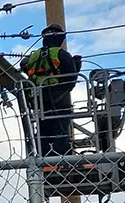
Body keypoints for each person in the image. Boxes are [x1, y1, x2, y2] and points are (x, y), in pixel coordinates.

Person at [19, 24, 82, 157]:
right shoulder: (61, 54)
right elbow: (71, 79)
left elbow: (28, 74)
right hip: (59, 100)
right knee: (61, 131)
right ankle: (61, 160)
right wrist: (76, 66)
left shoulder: (33, 56)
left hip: (39, 101)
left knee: (43, 131)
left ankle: (44, 158)